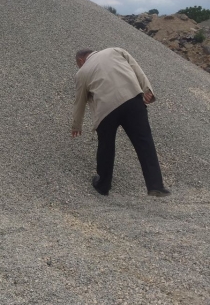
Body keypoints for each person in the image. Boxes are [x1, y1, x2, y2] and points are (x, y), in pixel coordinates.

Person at [71, 47, 170, 197]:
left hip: (106, 110)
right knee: (144, 142)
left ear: (80, 60)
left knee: (106, 146)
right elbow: (137, 68)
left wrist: (76, 125)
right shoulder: (115, 51)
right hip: (132, 99)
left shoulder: (82, 72)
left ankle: (103, 185)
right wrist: (147, 89)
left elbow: (80, 101)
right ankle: (155, 185)